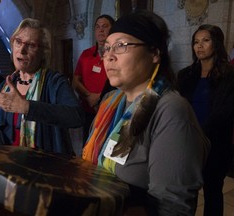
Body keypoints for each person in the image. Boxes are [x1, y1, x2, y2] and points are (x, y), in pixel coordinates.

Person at [82, 10, 210, 215]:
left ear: (154, 53)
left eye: (121, 45)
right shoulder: (110, 101)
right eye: (106, 48)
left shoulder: (171, 110)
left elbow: (172, 207)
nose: (109, 56)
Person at [0, 18, 84, 155]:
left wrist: (27, 107)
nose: (22, 50)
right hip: (10, 165)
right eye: (18, 42)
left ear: (43, 53)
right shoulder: (5, 86)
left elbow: (76, 117)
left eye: (31, 45)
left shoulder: (55, 82)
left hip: (46, 167)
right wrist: (2, 154)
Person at [177, 24, 234, 216]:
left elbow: (226, 112)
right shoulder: (185, 75)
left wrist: (202, 135)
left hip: (215, 144)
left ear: (216, 44)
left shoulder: (230, 76)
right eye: (196, 42)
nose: (199, 46)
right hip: (187, 143)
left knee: (212, 192)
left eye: (205, 40)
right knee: (187, 193)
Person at [72, 14, 115, 142]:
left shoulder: (117, 55)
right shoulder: (86, 54)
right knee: (87, 146)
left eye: (104, 26)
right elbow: (75, 82)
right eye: (97, 27)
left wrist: (100, 98)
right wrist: (89, 96)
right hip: (88, 111)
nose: (100, 30)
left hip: (110, 111)